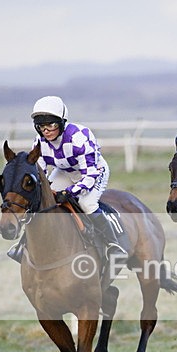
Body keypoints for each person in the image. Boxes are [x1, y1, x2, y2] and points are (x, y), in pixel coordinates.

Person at [30, 95, 126, 263]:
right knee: (44, 199)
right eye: (41, 126)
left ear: (61, 122)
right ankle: (26, 243)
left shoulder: (79, 137)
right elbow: (40, 173)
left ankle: (113, 244)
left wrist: (69, 192)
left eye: (51, 124)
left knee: (86, 204)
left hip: (94, 171)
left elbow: (89, 175)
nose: (46, 130)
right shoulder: (39, 142)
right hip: (66, 171)